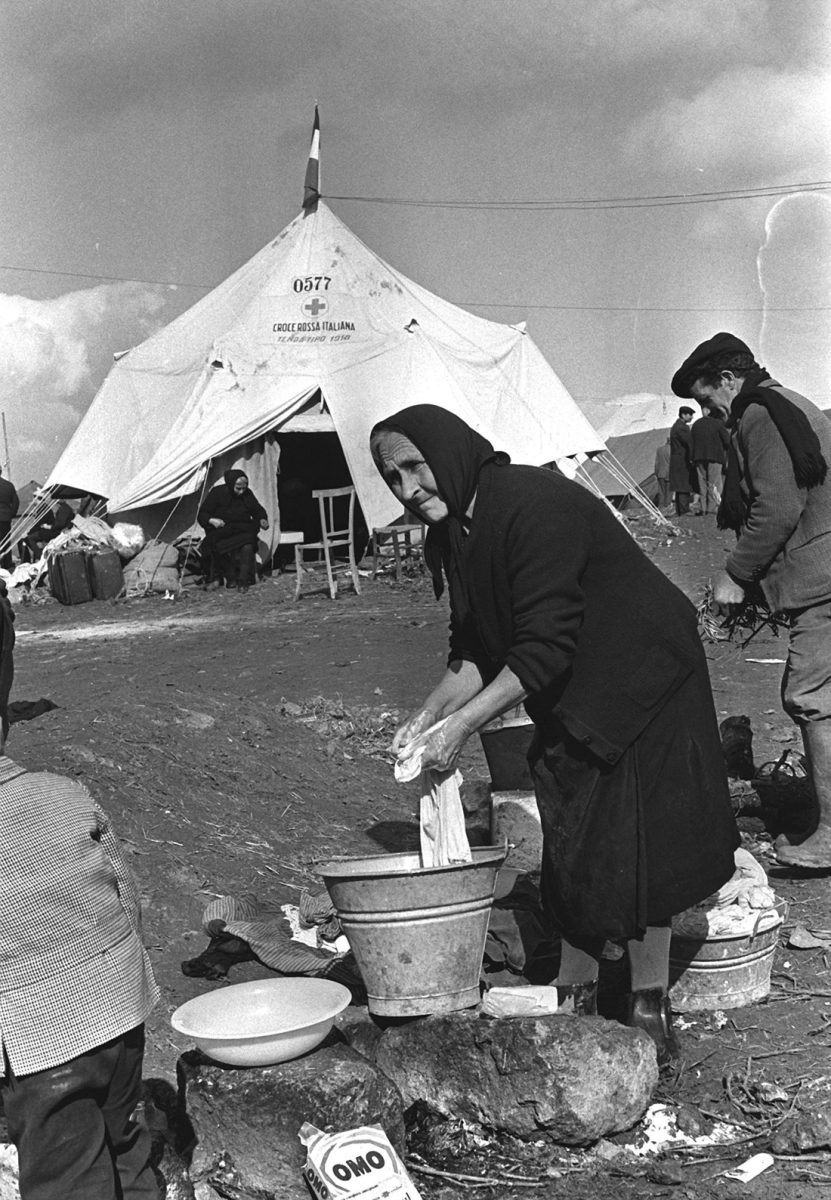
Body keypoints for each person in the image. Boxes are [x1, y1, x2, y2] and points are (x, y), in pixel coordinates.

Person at [369, 405, 739, 1066]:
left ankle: (647, 1003)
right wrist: (425, 718)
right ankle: (579, 994)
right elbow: (475, 648)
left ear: (448, 453)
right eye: (390, 478)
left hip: (646, 676)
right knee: (574, 828)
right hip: (583, 682)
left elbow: (541, 648)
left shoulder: (531, 508)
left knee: (638, 838)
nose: (405, 489)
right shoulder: (458, 529)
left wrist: (461, 727)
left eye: (413, 468)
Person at [0, 584, 160, 1198]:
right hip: (119, 1008)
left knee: (70, 1180)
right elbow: (128, 893)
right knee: (125, 1148)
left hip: (43, 1043)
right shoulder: (64, 792)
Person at [673, 331, 831, 869]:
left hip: (825, 581)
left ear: (727, 379)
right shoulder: (786, 402)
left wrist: (735, 575)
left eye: (705, 398)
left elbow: (779, 508)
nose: (707, 411)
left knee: (811, 695)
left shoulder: (760, 415)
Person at [197, 469, 269, 591]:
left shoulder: (247, 494)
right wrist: (212, 520)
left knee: (248, 544)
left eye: (244, 488)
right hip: (224, 531)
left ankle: (243, 581)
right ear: (230, 484)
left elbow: (257, 510)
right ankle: (231, 578)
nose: (241, 492)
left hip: (243, 529)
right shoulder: (217, 493)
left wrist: (262, 518)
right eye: (238, 488)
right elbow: (202, 514)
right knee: (213, 544)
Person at [690, 410, 730, 515]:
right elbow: (727, 441)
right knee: (714, 484)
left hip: (698, 457)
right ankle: (712, 509)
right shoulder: (718, 424)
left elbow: (691, 442)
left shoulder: (696, 424)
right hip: (715, 457)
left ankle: (703, 508)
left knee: (702, 484)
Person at [668, 406, 697, 515]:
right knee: (684, 484)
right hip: (682, 460)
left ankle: (680, 510)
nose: (691, 417)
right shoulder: (682, 428)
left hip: (677, 460)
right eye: (690, 414)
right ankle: (684, 510)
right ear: (683, 415)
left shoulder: (676, 426)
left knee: (680, 486)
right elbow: (689, 442)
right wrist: (692, 457)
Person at [0, 468, 19, 572]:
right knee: (6, 542)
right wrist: (11, 514)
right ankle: (7, 566)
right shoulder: (9, 485)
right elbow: (16, 502)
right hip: (5, 518)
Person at [653, 437, 671, 509]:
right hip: (670, 473)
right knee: (669, 492)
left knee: (661, 491)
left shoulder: (659, 449)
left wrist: (656, 472)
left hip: (661, 473)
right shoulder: (673, 450)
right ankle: (667, 506)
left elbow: (657, 463)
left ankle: (661, 506)